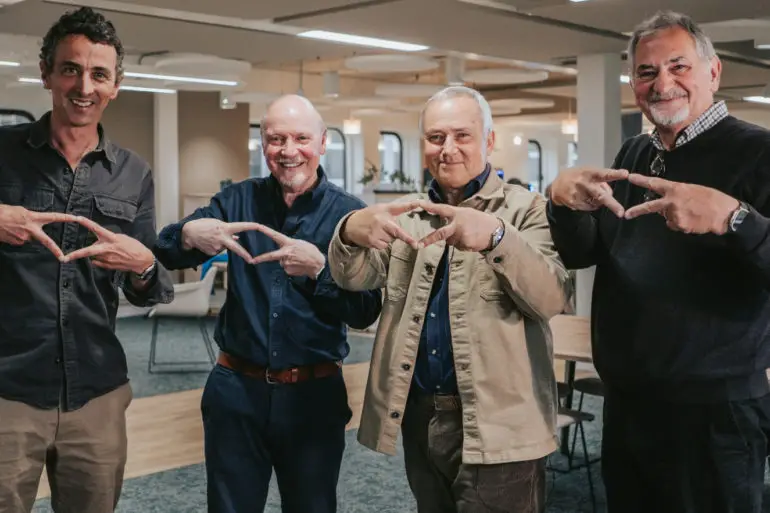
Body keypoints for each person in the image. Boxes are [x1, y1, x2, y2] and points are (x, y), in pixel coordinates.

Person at [547, 10, 770, 513]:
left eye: (678, 67)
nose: (662, 83)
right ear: (633, 85)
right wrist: (561, 203)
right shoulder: (636, 152)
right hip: (629, 404)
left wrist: (734, 219)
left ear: (713, 73)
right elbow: (587, 252)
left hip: (716, 414)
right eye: (646, 72)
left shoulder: (758, 153)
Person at [328, 85, 571, 513]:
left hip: (500, 425)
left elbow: (550, 298)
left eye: (463, 136)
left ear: (489, 140)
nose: (448, 149)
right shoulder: (407, 215)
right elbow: (352, 278)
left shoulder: (527, 210)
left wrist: (496, 238)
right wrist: (348, 231)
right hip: (421, 415)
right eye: (436, 137)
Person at [153, 94, 382, 513]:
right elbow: (167, 251)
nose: (289, 151)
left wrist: (320, 273)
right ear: (264, 145)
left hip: (314, 395)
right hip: (236, 391)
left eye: (300, 138)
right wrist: (188, 235)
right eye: (276, 139)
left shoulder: (350, 216)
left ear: (322, 142)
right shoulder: (237, 201)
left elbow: (367, 309)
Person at [0, 7, 174, 513]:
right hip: (9, 389)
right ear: (46, 73)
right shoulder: (3, 153)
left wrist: (142, 266)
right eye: (71, 69)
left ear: (116, 85)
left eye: (99, 74)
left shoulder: (133, 174)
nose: (84, 86)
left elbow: (151, 286)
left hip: (96, 393)